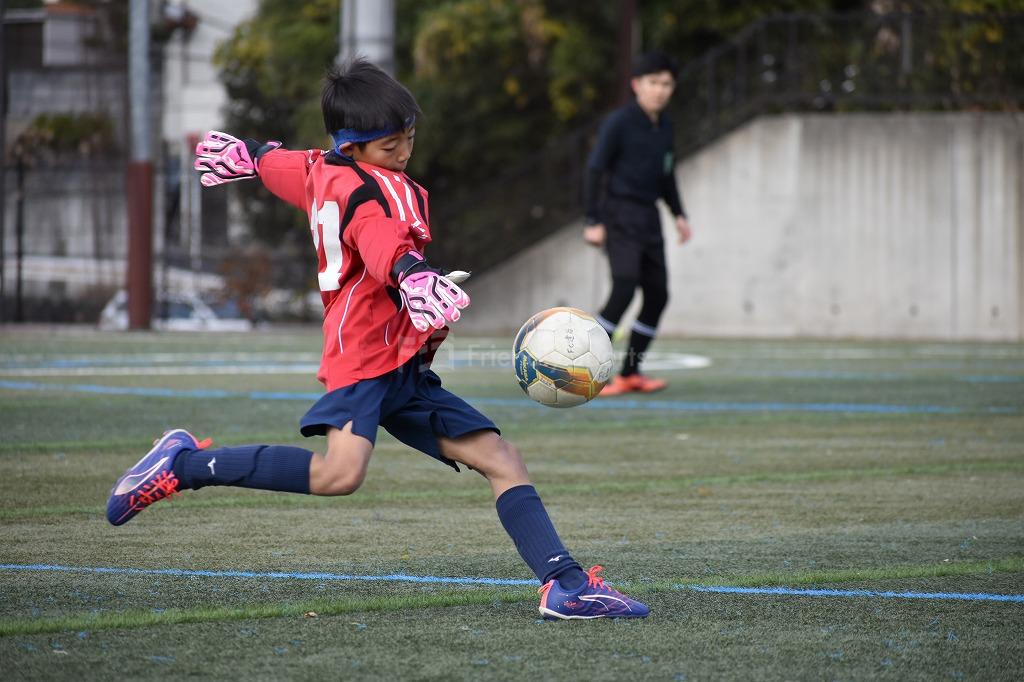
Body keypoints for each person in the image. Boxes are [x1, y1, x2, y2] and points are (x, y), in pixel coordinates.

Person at [105, 58, 648, 620]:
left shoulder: (322, 167)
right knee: (340, 474)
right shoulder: (377, 194)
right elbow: (379, 236)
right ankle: (182, 465)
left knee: (503, 459)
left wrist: (250, 154)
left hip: (403, 362)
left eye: (409, 137)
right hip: (364, 355)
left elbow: (281, 164)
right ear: (353, 145)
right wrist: (412, 274)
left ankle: (565, 585)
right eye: (390, 146)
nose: (404, 152)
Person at [582, 50, 692, 396]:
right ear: (637, 85)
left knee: (658, 295)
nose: (660, 90)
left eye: (666, 83)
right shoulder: (619, 123)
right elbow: (594, 170)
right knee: (625, 287)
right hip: (619, 215)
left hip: (650, 219)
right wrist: (593, 219)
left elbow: (667, 176)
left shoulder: (666, 126)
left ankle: (631, 372)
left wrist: (679, 214)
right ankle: (583, 370)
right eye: (653, 83)